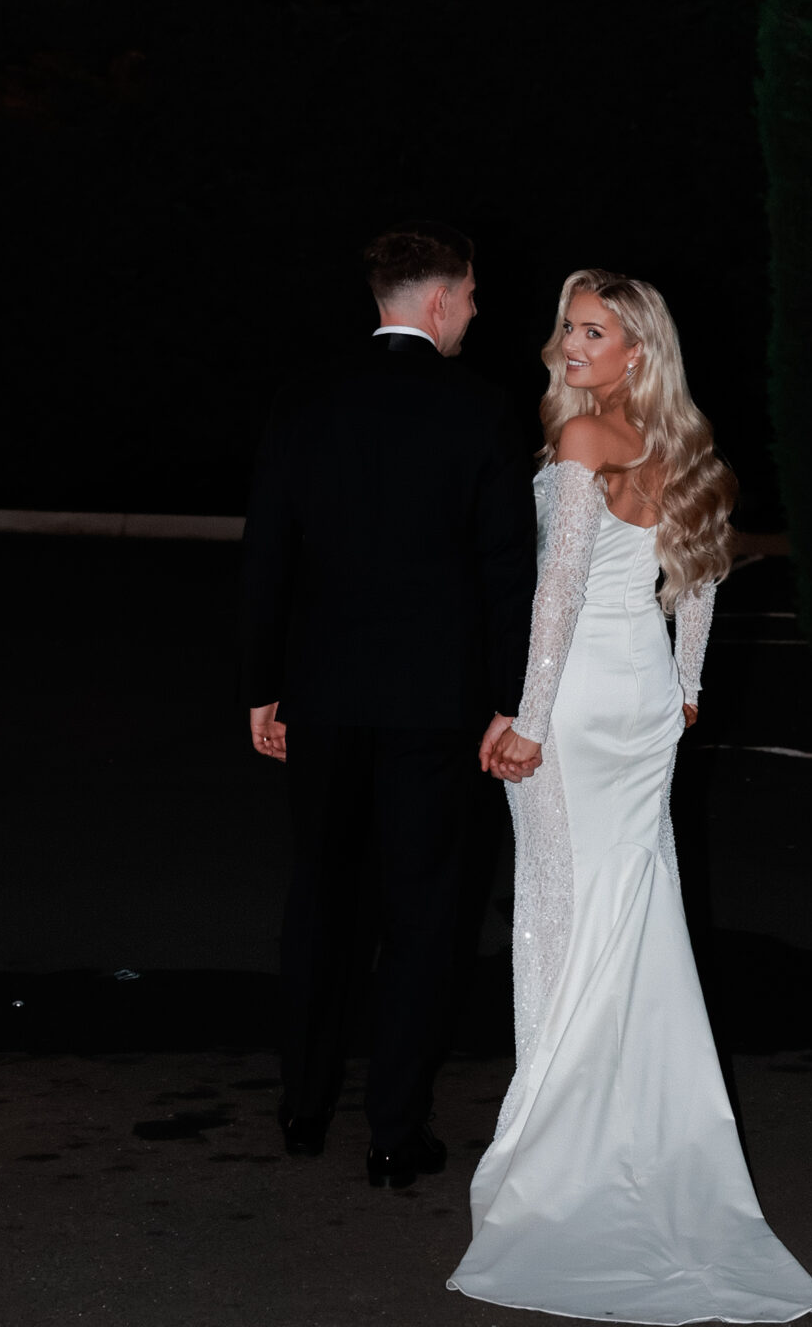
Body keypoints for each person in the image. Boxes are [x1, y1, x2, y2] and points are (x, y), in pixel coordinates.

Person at [451, 270, 812, 1323]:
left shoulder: (583, 444)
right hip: (641, 705)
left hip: (575, 703)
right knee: (630, 915)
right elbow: (701, 579)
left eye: (595, 331)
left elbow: (559, 594)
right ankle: (628, 1133)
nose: (571, 343)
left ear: (637, 353)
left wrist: (525, 718)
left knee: (563, 919)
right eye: (569, 325)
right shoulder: (680, 451)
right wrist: (685, 688)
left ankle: (558, 1150)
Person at [240, 222, 538, 1190]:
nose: (477, 314)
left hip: (323, 696)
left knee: (321, 895)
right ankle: (393, 1129)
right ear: (442, 300)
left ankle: (302, 1104)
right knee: (422, 910)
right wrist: (509, 699)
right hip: (434, 707)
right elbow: (507, 574)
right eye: (475, 296)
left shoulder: (305, 399)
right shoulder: (485, 409)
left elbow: (267, 555)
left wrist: (262, 684)